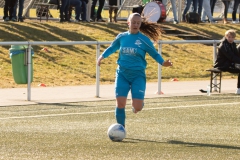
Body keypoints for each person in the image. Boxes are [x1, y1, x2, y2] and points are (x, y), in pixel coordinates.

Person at [97, 13, 173, 127]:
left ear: (140, 24)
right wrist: (101, 56)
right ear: (128, 23)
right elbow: (112, 48)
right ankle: (120, 129)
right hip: (122, 74)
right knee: (120, 104)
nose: (136, 24)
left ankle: (138, 105)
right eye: (133, 22)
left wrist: (163, 62)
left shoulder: (144, 40)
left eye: (138, 23)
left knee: (137, 107)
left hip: (138, 75)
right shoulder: (122, 37)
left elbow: (154, 54)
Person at [214, 30, 240, 94]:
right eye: (229, 37)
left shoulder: (232, 44)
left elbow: (236, 55)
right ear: (226, 36)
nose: (230, 39)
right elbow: (231, 57)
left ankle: (239, 88)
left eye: (232, 37)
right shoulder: (223, 45)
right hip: (222, 65)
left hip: (230, 63)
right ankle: (238, 89)